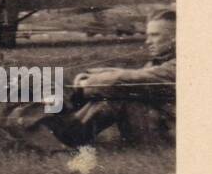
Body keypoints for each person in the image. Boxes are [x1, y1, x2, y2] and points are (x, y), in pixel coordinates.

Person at [49, 9, 176, 147]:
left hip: (170, 136)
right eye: (148, 35)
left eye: (155, 35)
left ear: (176, 37)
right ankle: (62, 130)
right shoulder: (162, 61)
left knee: (119, 94)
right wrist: (93, 74)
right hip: (160, 126)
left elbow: (124, 80)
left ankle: (62, 136)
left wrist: (84, 85)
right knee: (119, 90)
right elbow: (135, 74)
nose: (147, 41)